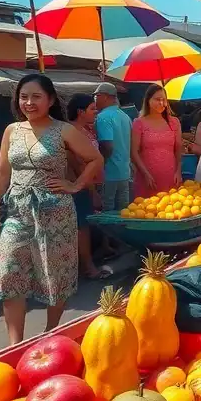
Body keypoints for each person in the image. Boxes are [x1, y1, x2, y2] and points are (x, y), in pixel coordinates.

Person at [0, 74, 103, 345]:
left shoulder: (63, 130)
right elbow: (2, 171)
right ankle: (14, 345)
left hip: (56, 212)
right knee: (9, 274)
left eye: (36, 96)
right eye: (24, 96)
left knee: (56, 273)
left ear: (50, 100)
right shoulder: (12, 131)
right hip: (17, 212)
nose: (29, 102)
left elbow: (94, 159)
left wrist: (75, 185)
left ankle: (50, 332)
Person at [65, 94, 110, 280]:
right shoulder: (72, 133)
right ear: (80, 112)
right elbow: (78, 165)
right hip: (80, 186)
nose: (96, 112)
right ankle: (88, 267)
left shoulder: (86, 130)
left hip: (88, 184)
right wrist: (91, 190)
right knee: (81, 228)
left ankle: (85, 264)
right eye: (92, 109)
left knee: (84, 226)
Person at [130, 84, 182, 198]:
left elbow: (178, 148)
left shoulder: (174, 122)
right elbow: (134, 152)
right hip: (147, 180)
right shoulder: (139, 123)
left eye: (164, 100)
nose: (161, 103)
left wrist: (178, 171)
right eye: (157, 99)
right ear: (148, 100)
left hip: (170, 177)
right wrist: (145, 174)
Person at [93, 83, 132, 212]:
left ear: (105, 97)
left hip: (109, 174)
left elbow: (107, 146)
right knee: (124, 211)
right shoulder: (125, 116)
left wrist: (99, 163)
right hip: (125, 173)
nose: (95, 100)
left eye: (96, 96)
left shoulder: (103, 117)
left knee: (107, 212)